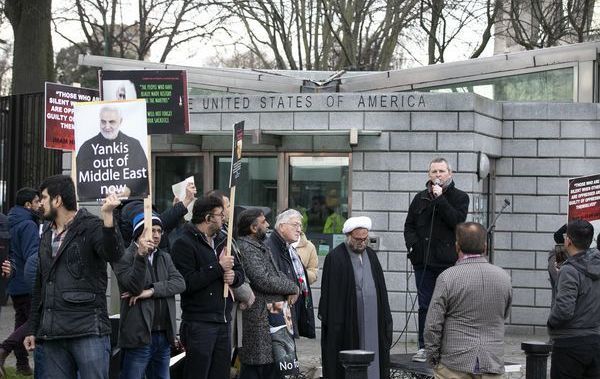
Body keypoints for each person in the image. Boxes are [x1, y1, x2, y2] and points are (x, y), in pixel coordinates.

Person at [23, 174, 124, 379]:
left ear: (57, 200)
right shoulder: (46, 235)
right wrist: (32, 328)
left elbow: (114, 254)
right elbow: (39, 286)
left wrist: (108, 219)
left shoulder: (92, 226)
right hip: (52, 335)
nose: (40, 204)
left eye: (43, 198)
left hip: (88, 331)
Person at [424, 222, 512, 379]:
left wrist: (433, 357)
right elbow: (504, 314)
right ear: (485, 247)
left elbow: (433, 325)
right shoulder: (504, 277)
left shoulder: (447, 277)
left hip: (454, 363)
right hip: (491, 361)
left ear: (457, 246)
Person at [171, 195, 245, 379]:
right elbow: (186, 283)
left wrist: (233, 277)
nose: (224, 217)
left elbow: (240, 272)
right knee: (198, 373)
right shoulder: (183, 242)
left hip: (223, 319)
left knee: (220, 374)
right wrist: (218, 268)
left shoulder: (224, 239)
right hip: (199, 322)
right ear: (207, 218)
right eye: (220, 214)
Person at [404, 157, 469, 362]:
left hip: (447, 262)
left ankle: (447, 346)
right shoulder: (421, 197)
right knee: (425, 304)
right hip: (423, 262)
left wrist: (440, 199)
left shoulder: (460, 197)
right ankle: (425, 346)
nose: (438, 175)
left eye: (441, 171)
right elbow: (409, 225)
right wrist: (414, 246)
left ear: (450, 174)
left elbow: (457, 222)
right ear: (429, 174)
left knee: (448, 305)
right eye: (434, 172)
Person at [112, 210, 185, 379]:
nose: (157, 235)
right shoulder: (124, 257)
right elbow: (134, 287)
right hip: (139, 336)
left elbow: (180, 283)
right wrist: (141, 256)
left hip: (164, 335)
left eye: (160, 231)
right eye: (152, 230)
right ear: (139, 233)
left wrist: (151, 291)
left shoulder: (164, 257)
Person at [319, 216, 393, 379]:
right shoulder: (335, 257)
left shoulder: (372, 256)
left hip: (373, 319)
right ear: (348, 236)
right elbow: (331, 296)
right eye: (358, 239)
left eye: (364, 239)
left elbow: (381, 289)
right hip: (347, 321)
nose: (362, 242)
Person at [236, 208, 299, 379]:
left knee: (278, 363)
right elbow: (263, 279)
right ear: (253, 227)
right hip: (260, 315)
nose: (268, 225)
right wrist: (292, 287)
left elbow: (276, 274)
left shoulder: (260, 245)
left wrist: (291, 286)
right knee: (258, 366)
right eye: (264, 222)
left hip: (276, 310)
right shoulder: (246, 248)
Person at [548, 219, 600, 378]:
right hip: (595, 340)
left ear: (569, 241)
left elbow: (563, 310)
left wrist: (551, 323)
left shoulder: (569, 270)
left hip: (570, 343)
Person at [0, 188, 41, 376]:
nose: (40, 204)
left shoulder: (11, 221)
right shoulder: (29, 225)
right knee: (34, 321)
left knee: (21, 322)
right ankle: (3, 349)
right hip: (27, 281)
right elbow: (32, 255)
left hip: (14, 282)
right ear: (28, 205)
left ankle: (22, 365)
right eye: (36, 201)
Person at [76, 105, 149, 200]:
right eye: (103, 121)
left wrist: (130, 190)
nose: (107, 126)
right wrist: (103, 191)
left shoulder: (134, 145)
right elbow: (80, 182)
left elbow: (144, 177)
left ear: (120, 121)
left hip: (129, 206)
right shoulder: (87, 147)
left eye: (111, 122)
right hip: (98, 206)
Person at [265, 209, 315, 339]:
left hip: (289, 307)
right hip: (277, 309)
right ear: (281, 227)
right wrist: (293, 288)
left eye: (300, 226)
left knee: (288, 353)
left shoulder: (289, 249)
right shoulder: (269, 248)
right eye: (295, 225)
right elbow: (270, 279)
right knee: (281, 353)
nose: (299, 230)